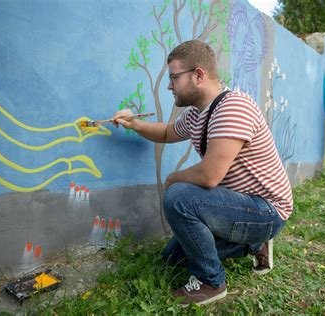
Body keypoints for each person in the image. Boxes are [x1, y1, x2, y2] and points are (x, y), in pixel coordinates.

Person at [113, 40, 292, 306]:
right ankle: (254, 244)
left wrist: (173, 179)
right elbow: (166, 132)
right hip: (236, 205)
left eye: (174, 77)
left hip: (266, 210)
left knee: (179, 196)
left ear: (198, 75)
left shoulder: (234, 108)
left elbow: (209, 176)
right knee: (174, 258)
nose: (169, 85)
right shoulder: (198, 114)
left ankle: (210, 281)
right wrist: (133, 123)